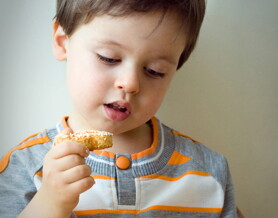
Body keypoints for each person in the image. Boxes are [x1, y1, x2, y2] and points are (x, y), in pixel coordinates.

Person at [0, 0, 239, 217]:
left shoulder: (209, 173)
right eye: (109, 58)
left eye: (155, 71)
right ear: (63, 42)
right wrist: (49, 203)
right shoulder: (23, 168)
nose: (131, 83)